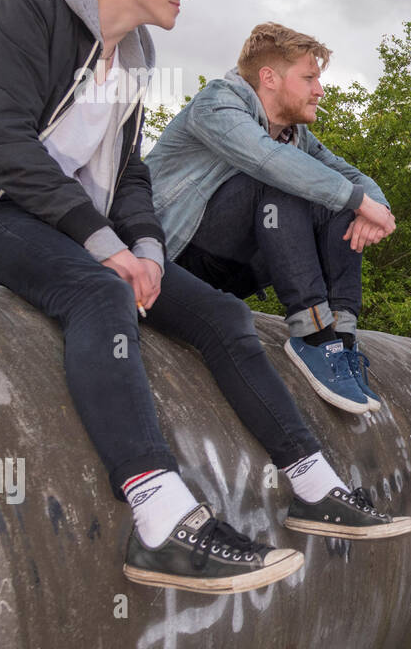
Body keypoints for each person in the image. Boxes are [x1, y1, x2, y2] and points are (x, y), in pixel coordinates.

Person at [0, 0, 411, 595]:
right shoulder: (31, 8)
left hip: (59, 216)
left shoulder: (135, 54)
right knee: (97, 293)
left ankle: (315, 487)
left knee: (222, 316)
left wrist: (147, 247)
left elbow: (127, 172)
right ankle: (161, 521)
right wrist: (101, 244)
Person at [146, 23, 393, 414]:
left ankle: (341, 338)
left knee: (339, 200)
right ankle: (311, 335)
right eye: (309, 78)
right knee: (283, 180)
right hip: (169, 261)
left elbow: (352, 178)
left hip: (229, 274)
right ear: (269, 78)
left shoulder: (294, 134)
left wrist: (375, 209)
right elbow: (268, 161)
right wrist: (360, 201)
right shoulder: (217, 104)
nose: (320, 90)